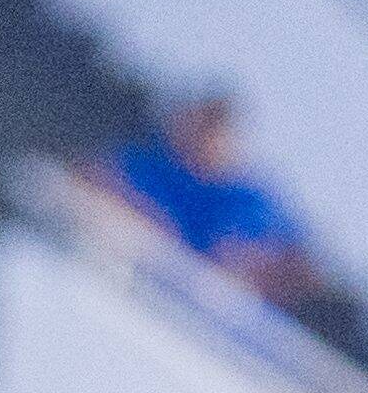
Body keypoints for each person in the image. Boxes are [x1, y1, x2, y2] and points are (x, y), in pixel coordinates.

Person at [110, 92, 316, 305]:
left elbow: (295, 263)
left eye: (213, 129)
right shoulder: (149, 163)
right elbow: (96, 180)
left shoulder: (251, 200)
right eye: (199, 124)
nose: (201, 136)